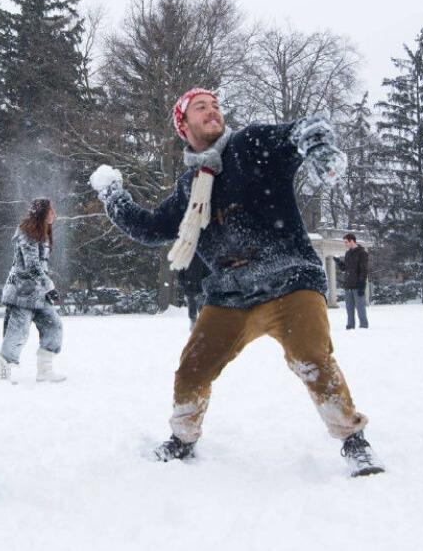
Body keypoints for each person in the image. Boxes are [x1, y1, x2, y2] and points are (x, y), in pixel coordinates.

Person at [90, 88, 384, 477]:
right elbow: (150, 228)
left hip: (289, 277)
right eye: (201, 107)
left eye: (215, 105)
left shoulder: (251, 144)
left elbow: (299, 131)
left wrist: (317, 143)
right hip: (231, 292)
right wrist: (114, 197)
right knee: (192, 369)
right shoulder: (188, 188)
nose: (212, 110)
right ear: (184, 125)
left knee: (311, 356)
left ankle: (353, 440)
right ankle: (183, 439)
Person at [0, 198, 66, 383]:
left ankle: (45, 371)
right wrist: (49, 286)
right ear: (42, 212)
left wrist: (46, 287)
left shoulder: (44, 232)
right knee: (18, 332)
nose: (54, 214)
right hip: (21, 292)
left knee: (54, 325)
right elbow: (32, 266)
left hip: (39, 293)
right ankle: (4, 370)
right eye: (51, 210)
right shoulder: (26, 232)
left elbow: (40, 268)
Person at [334, 233, 370, 329]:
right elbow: (345, 268)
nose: (345, 244)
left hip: (358, 286)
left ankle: (363, 326)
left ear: (352, 241)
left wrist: (362, 285)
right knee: (349, 309)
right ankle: (350, 326)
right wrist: (338, 262)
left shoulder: (362, 253)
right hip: (348, 285)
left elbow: (364, 270)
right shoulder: (348, 253)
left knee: (360, 308)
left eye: (346, 242)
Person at [176, 253, 209, 330]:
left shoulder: (203, 255)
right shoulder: (186, 256)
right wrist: (184, 283)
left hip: (201, 288)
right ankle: (193, 324)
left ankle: (203, 324)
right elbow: (180, 274)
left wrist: (206, 283)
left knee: (202, 307)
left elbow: (208, 272)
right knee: (192, 307)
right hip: (190, 287)